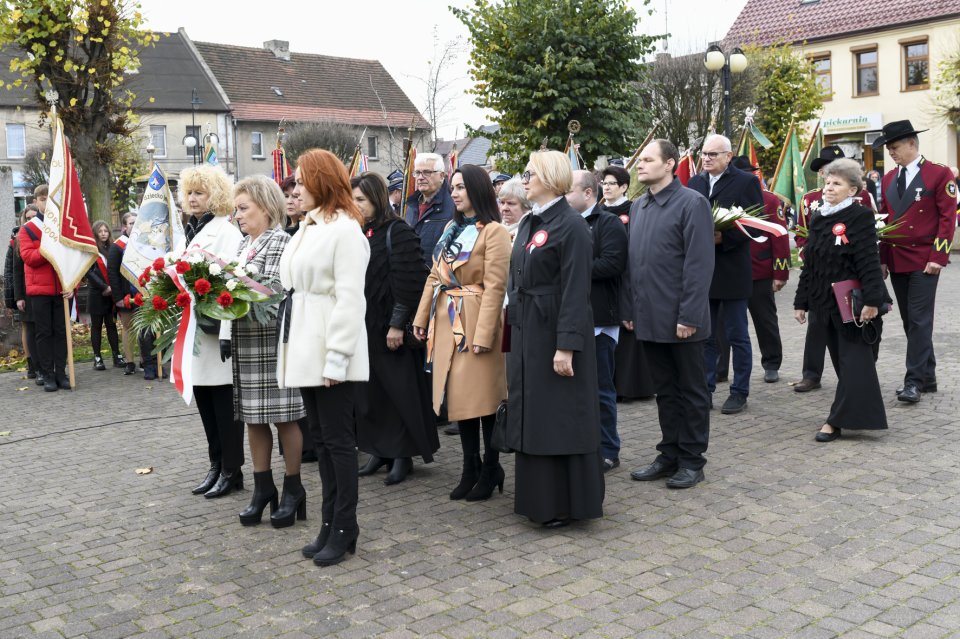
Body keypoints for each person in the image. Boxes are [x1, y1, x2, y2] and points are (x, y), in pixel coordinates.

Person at [277, 149, 370, 567]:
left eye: (300, 180)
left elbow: (351, 301)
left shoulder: (346, 230)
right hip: (305, 345)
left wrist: (337, 360)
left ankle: (345, 526)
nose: (295, 188)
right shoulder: (310, 228)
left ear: (320, 181)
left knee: (338, 443)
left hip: (332, 350)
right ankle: (330, 522)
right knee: (321, 438)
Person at [505, 150, 603, 528]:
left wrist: (567, 345)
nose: (524, 179)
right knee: (534, 415)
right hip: (528, 332)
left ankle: (566, 503)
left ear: (550, 176)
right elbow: (517, 280)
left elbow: (576, 291)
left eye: (530, 173)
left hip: (554, 335)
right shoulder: (531, 222)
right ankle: (539, 500)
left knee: (560, 417)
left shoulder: (572, 225)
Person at [413, 164, 510, 502]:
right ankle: (470, 466)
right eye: (452, 187)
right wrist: (421, 316)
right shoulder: (452, 228)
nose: (454, 193)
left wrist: (484, 334)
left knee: (482, 399)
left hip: (474, 318)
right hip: (446, 319)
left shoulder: (494, 231)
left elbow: (496, 286)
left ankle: (490, 466)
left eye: (461, 187)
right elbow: (435, 275)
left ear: (477, 190)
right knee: (459, 398)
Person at [624, 139, 714, 488]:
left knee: (691, 392)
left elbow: (699, 264)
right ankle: (670, 453)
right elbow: (633, 264)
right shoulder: (638, 207)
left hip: (682, 321)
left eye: (648, 159)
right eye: (640, 160)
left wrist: (689, 316)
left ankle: (692, 459)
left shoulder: (692, 203)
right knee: (665, 391)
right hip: (649, 318)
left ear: (670, 164)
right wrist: (631, 309)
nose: (640, 165)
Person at [225, 175, 307, 527]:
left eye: (244, 208)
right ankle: (263, 489)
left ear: (266, 207)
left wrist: (232, 282)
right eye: (236, 209)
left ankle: (293, 488)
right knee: (252, 419)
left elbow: (275, 291)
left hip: (272, 342)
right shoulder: (244, 245)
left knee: (285, 417)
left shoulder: (280, 241)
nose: (238, 216)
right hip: (246, 341)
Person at [352, 172, 438, 485]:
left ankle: (402, 455)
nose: (355, 205)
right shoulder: (360, 232)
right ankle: (379, 450)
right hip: (365, 326)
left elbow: (410, 281)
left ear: (376, 198)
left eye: (360, 199)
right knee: (372, 392)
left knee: (399, 390)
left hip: (391, 327)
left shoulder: (397, 230)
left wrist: (397, 324)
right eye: (353, 199)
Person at [793, 158, 888, 441]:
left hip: (853, 305)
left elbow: (869, 261)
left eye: (837, 184)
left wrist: (872, 301)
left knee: (855, 363)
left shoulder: (860, 216)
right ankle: (855, 414)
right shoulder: (819, 216)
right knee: (846, 364)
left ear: (853, 190)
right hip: (824, 303)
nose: (828, 188)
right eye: (827, 182)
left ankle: (835, 421)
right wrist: (801, 302)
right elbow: (810, 263)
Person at [874, 120, 958, 403]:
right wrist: (882, 259)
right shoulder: (887, 179)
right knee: (911, 321)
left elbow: (948, 220)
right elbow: (884, 222)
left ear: (912, 143)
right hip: (897, 259)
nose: (891, 153)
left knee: (920, 321)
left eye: (895, 147)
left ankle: (913, 382)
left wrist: (938, 256)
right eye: (889, 149)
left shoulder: (939, 174)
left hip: (924, 259)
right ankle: (929, 377)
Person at [179, 165, 245, 498]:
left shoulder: (226, 230)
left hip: (217, 329)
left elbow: (231, 280)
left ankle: (233, 469)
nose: (192, 198)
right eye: (189, 192)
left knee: (224, 404)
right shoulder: (190, 230)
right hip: (195, 331)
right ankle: (216, 464)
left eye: (199, 192)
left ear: (215, 196)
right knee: (205, 401)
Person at [688, 134, 763, 414]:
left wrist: (725, 239)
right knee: (705, 336)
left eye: (713, 154)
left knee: (736, 334)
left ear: (728, 157)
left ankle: (739, 391)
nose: (706, 158)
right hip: (704, 272)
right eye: (704, 154)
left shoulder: (746, 182)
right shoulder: (695, 183)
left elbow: (756, 224)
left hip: (732, 269)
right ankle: (705, 389)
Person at [566, 169, 627, 473]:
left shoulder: (608, 222)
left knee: (602, 389)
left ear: (588, 193)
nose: (564, 195)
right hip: (572, 318)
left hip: (600, 320)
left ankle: (608, 449)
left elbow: (614, 263)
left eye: (569, 190)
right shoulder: (565, 222)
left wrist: (571, 268)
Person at [716, 157, 790, 384]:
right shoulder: (719, 200)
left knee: (764, 320)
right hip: (728, 272)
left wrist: (780, 273)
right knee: (722, 326)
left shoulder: (768, 200)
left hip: (759, 271)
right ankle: (720, 368)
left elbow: (780, 237)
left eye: (750, 173)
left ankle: (771, 363)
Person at [602, 165, 654, 402]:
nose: (607, 187)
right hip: (605, 281)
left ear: (624, 187)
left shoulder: (634, 210)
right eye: (605, 183)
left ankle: (630, 386)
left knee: (628, 334)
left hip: (627, 276)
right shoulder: (599, 211)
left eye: (612, 183)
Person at [18, 205, 70, 392]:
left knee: (61, 333)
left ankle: (61, 373)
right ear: (36, 201)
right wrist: (48, 247)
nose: (46, 202)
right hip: (40, 290)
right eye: (42, 198)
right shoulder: (27, 229)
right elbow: (28, 257)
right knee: (44, 333)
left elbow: (73, 258)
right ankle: (47, 374)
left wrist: (73, 285)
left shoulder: (63, 225)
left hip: (62, 288)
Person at [404, 153, 455, 267]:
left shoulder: (454, 206)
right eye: (417, 173)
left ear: (441, 176)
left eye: (427, 172)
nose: (420, 177)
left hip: (438, 278)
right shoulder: (411, 206)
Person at [85, 221, 120, 371]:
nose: (104, 233)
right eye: (101, 231)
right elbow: (89, 272)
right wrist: (104, 286)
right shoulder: (91, 250)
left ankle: (116, 355)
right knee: (97, 326)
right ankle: (97, 357)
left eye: (106, 230)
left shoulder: (113, 248)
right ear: (95, 233)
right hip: (97, 293)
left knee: (111, 325)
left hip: (111, 294)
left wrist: (113, 288)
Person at [11, 206, 40, 381]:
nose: (30, 220)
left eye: (34, 217)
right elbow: (16, 271)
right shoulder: (19, 240)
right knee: (30, 328)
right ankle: (34, 365)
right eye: (27, 217)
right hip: (26, 291)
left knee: (43, 329)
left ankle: (46, 365)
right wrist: (19, 296)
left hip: (42, 289)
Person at [107, 213, 139, 375]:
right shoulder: (117, 246)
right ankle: (130, 361)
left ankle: (150, 359)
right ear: (124, 227)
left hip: (143, 293)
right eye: (132, 223)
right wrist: (118, 298)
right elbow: (112, 273)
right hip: (126, 295)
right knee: (128, 328)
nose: (136, 225)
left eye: (137, 222)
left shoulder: (144, 243)